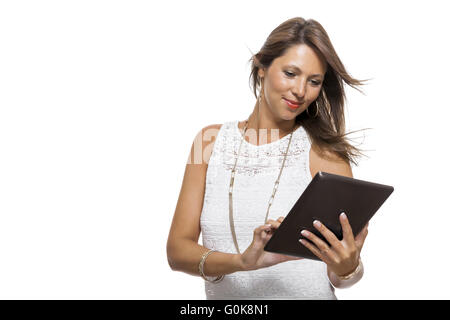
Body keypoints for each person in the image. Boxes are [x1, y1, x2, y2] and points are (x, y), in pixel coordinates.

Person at [167, 17, 371, 300]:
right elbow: (177, 251)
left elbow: (341, 273)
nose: (301, 91)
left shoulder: (325, 154)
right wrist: (242, 262)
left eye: (314, 81)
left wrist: (348, 268)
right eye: (290, 73)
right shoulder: (210, 142)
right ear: (261, 66)